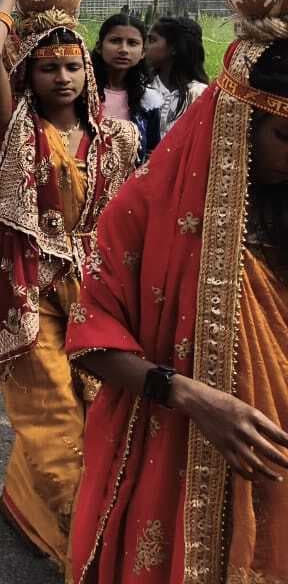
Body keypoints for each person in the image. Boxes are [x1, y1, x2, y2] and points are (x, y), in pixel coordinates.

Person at [68, 38, 288, 583]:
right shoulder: (142, 209)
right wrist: (192, 397)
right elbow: (92, 341)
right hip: (176, 453)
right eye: (285, 136)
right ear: (240, 123)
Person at [0, 0, 139, 573]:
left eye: (72, 66)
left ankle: (24, 508)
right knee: (53, 420)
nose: (63, 78)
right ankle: (89, 555)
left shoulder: (117, 139)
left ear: (87, 71)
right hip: (31, 291)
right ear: (30, 75)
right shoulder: (14, 129)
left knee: (93, 413)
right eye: (49, 68)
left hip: (94, 293)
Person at [92, 12, 163, 161]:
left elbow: (152, 152)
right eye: (115, 41)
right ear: (99, 46)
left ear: (143, 52)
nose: (123, 49)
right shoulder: (83, 93)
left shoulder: (148, 100)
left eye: (132, 43)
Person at [146, 15, 209, 136]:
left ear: (174, 48)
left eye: (152, 40)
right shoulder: (144, 88)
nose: (145, 46)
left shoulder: (200, 94)